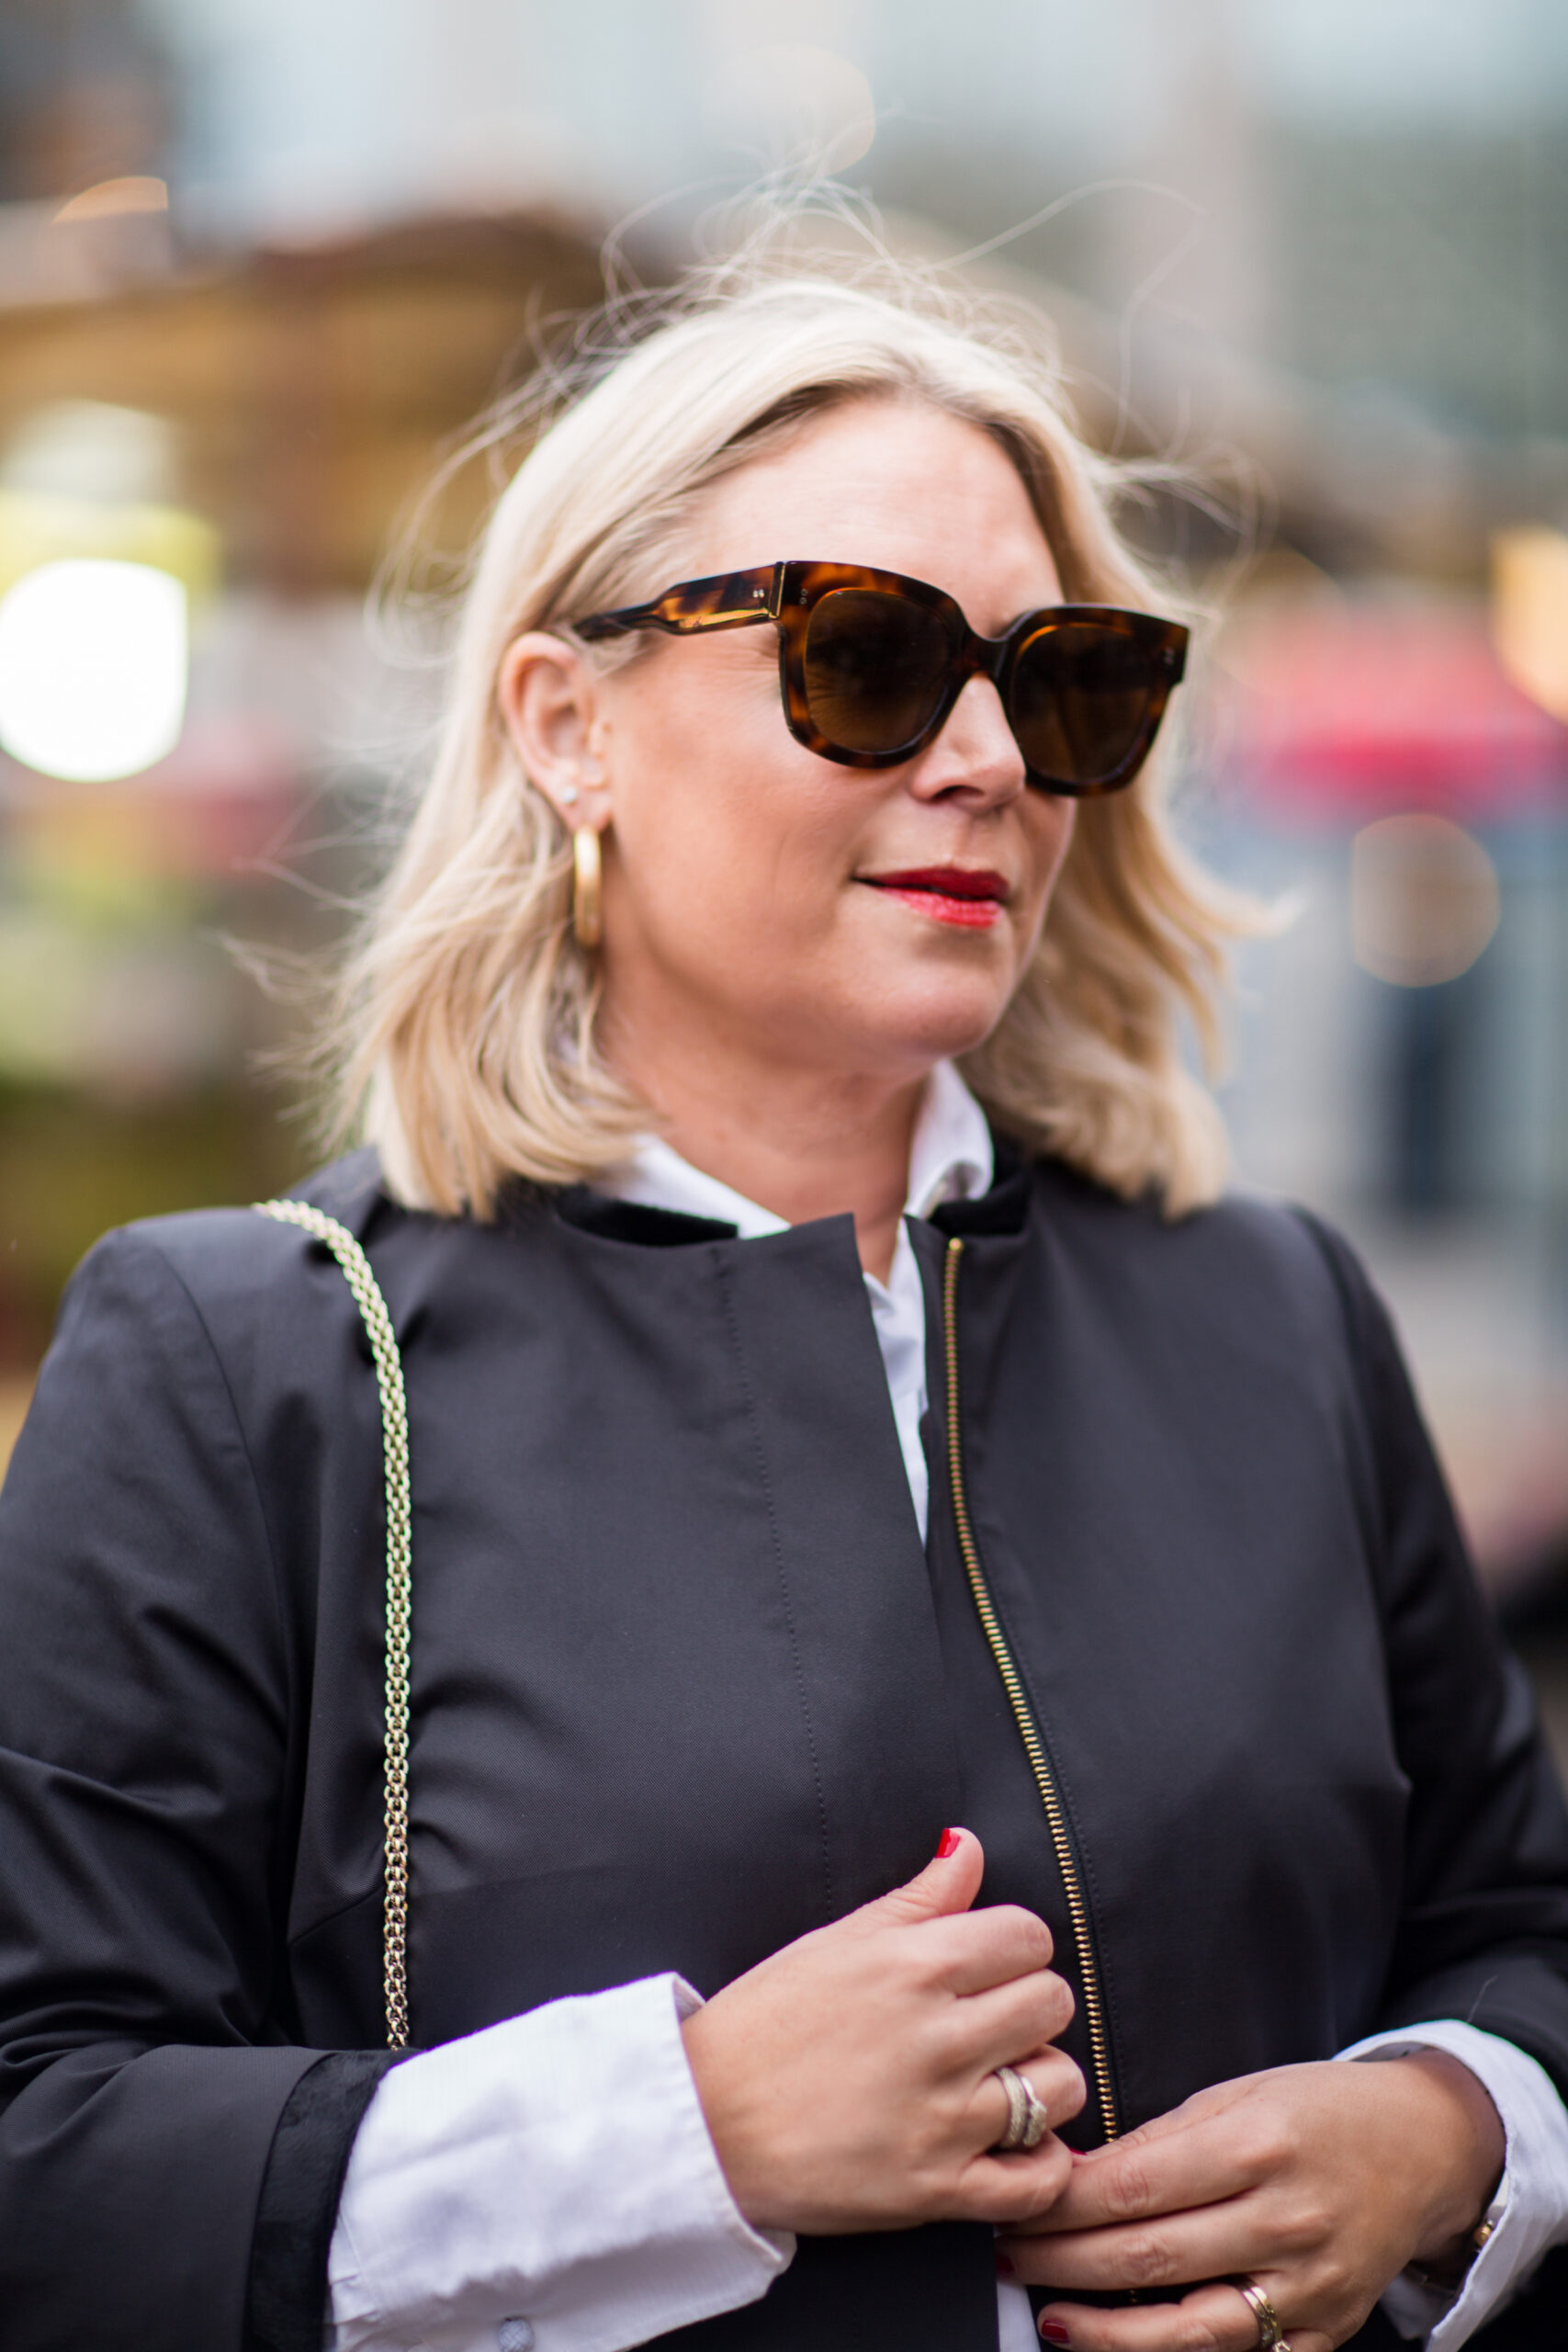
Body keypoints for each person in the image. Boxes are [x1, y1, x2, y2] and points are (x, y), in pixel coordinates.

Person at [2, 247, 1567, 2352]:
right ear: (567, 724)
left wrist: (1444, 2127)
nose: (988, 754)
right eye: (867, 653)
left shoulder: (1270, 1313)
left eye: (1062, 678)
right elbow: (44, 2152)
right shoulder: (252, 1360)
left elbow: (1514, 1922)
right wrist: (683, 2133)